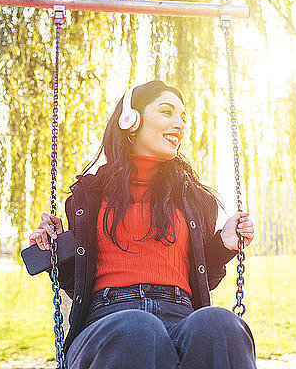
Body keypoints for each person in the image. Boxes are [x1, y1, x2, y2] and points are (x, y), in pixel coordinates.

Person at [29, 80, 257, 369]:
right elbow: (79, 285)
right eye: (167, 112)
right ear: (131, 119)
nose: (179, 124)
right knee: (139, 329)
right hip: (108, 317)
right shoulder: (89, 194)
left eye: (183, 118)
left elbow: (202, 277)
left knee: (220, 324)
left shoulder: (195, 198)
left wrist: (223, 245)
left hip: (180, 314)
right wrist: (54, 250)